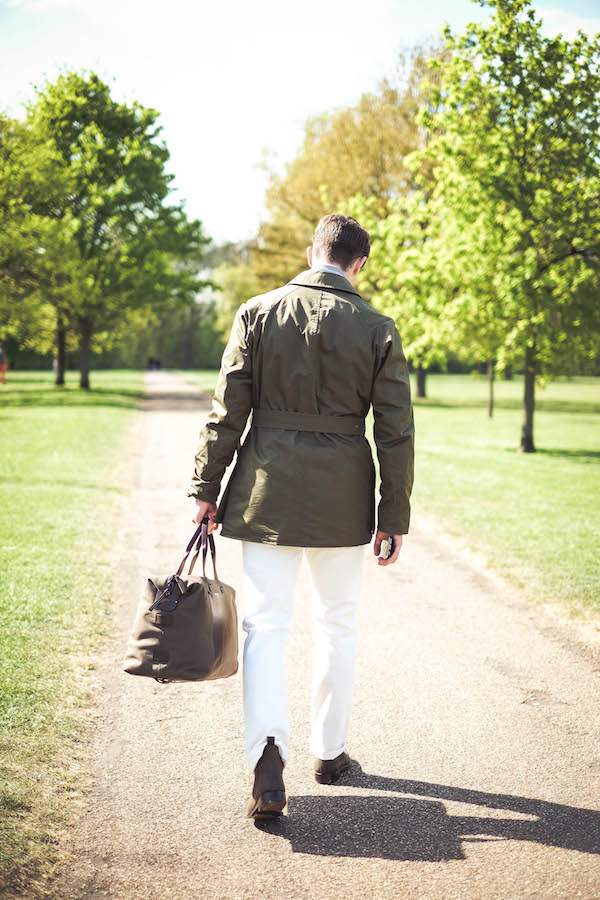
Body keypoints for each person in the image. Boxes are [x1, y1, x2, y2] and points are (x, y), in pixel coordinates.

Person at [188, 214, 414, 820]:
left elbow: (226, 409)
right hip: (344, 494)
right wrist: (393, 515)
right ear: (358, 263)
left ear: (311, 251)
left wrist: (206, 487)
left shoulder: (257, 312)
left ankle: (266, 758)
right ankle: (330, 752)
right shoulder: (377, 327)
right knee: (338, 622)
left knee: (266, 625)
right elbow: (395, 432)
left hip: (266, 490)